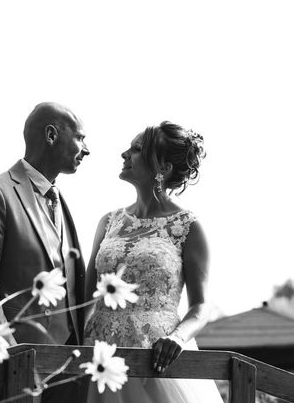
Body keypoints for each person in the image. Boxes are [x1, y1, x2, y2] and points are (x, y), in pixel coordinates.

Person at [83, 121, 223, 403]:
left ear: (164, 168)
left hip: (156, 357)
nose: (124, 154)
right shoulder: (108, 222)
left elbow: (200, 307)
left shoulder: (188, 227)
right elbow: (85, 296)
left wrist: (178, 339)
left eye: (136, 149)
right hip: (100, 356)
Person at [0, 102, 89, 401]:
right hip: (18, 370)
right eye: (81, 138)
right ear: (51, 135)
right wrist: (10, 357)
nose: (87, 149)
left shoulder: (62, 201)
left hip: (72, 370)